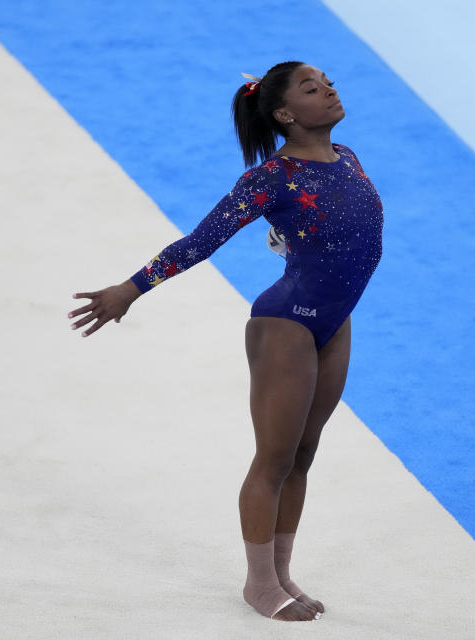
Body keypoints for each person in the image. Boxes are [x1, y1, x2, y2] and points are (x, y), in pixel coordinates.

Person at [68, 61, 383, 622]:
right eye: (312, 88)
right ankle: (259, 583)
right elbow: (201, 241)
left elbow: (334, 232)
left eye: (329, 81)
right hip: (287, 324)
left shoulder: (349, 157)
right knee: (275, 457)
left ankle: (283, 572)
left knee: (304, 456)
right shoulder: (270, 178)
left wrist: (288, 242)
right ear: (285, 114)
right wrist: (131, 289)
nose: (329, 90)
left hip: (337, 322)